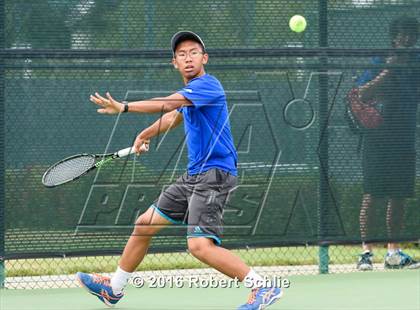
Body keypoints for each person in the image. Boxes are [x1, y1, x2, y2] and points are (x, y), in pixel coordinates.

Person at [76, 31, 282, 309]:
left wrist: (124, 107)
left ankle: (263, 288)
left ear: (204, 58)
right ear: (174, 63)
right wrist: (145, 134)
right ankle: (113, 289)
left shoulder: (208, 85)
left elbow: (171, 103)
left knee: (199, 246)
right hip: (194, 175)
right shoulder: (191, 95)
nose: (188, 58)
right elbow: (174, 116)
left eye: (193, 52)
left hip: (215, 174)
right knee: (144, 225)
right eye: (181, 54)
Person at [356, 16, 420, 271]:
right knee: (371, 195)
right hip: (377, 137)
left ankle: (394, 253)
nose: (407, 38)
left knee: (399, 196)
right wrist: (388, 71)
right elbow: (362, 93)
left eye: (411, 34)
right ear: (394, 37)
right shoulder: (379, 61)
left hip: (403, 137)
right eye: (402, 34)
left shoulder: (417, 63)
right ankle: (366, 253)